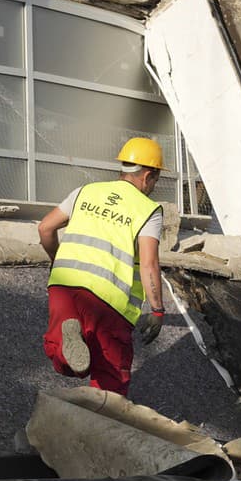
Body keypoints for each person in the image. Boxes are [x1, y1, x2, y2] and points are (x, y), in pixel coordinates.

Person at [38, 137, 168, 396]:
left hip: (64, 286)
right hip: (108, 300)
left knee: (63, 357)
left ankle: (68, 341)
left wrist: (57, 262)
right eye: (155, 180)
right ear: (148, 176)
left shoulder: (85, 191)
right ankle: (100, 431)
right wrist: (157, 310)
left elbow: (45, 228)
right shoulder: (148, 209)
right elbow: (149, 264)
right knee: (110, 379)